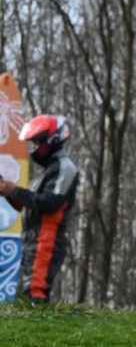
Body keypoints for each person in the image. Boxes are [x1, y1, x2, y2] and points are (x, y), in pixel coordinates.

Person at [0, 115, 79, 303]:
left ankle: (44, 331)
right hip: (33, 239)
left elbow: (49, 203)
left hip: (47, 239)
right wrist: (10, 193)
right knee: (26, 292)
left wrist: (16, 191)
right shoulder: (47, 170)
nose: (35, 146)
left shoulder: (64, 168)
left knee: (34, 290)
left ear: (50, 139)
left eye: (37, 141)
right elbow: (34, 205)